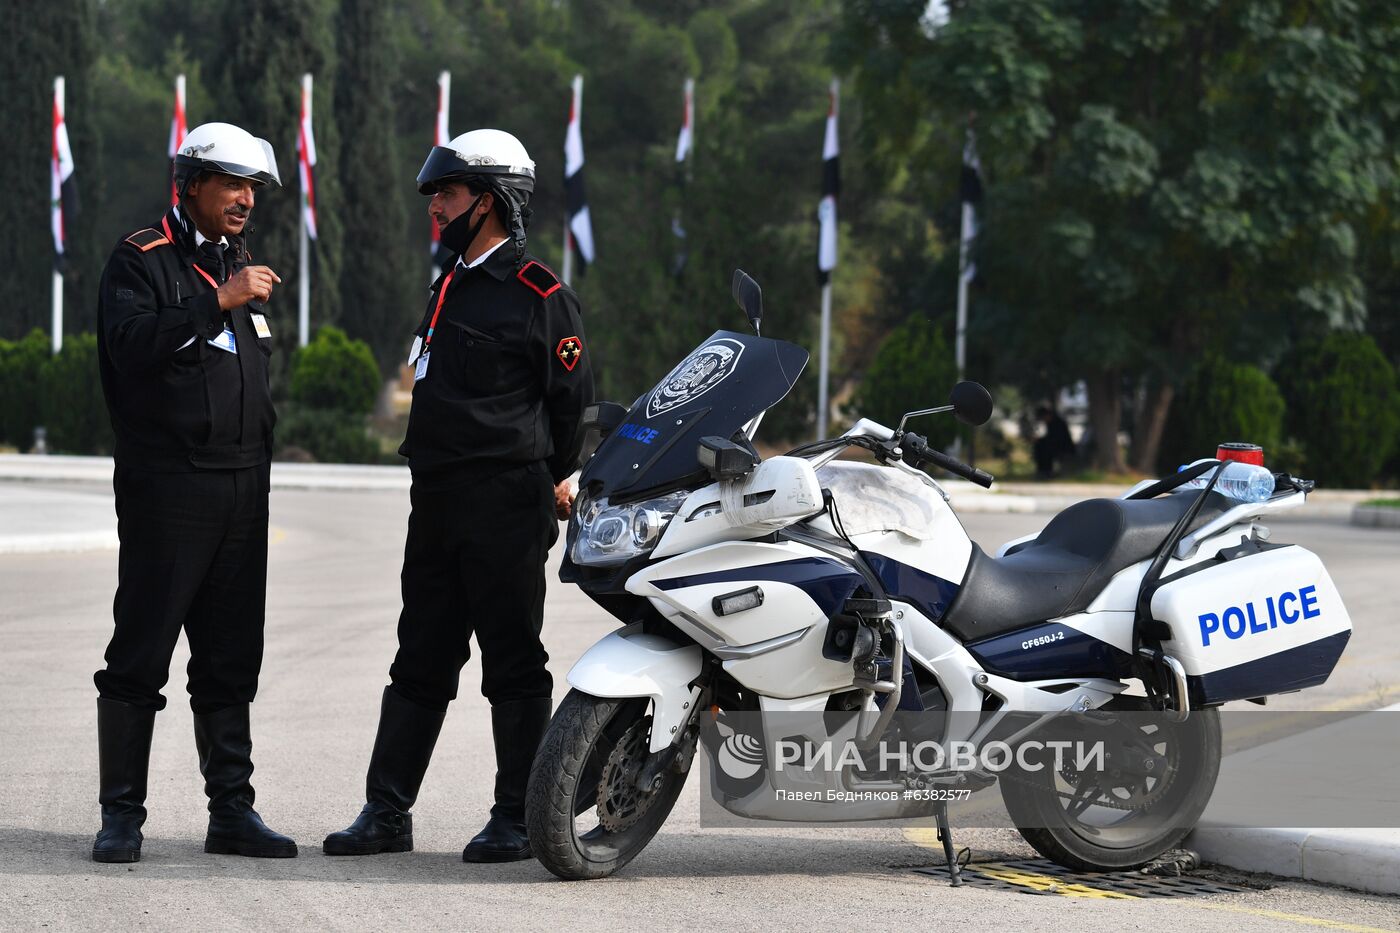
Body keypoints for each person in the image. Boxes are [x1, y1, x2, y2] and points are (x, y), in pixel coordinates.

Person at [323, 129, 593, 863]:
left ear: (490, 198)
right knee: (420, 659)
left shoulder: (540, 295)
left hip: (506, 500)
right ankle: (385, 813)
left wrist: (554, 476)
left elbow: (572, 403)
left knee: (512, 661)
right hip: (436, 501)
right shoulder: (449, 283)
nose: (435, 206)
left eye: (446, 192)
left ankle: (517, 818)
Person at [91, 122, 296, 863]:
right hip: (168, 488)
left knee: (231, 657)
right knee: (140, 651)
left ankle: (232, 812)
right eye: (233, 185)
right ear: (192, 185)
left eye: (254, 189)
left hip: (243, 489)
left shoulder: (236, 260)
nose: (246, 200)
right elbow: (132, 349)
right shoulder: (140, 259)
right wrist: (217, 301)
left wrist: (231, 291)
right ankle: (121, 817)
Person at [1033, 404, 1076, 479]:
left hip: (1063, 447)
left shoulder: (1058, 423)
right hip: (1056, 445)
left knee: (1044, 449)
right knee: (1040, 447)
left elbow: (1056, 439)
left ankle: (1046, 472)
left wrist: (1041, 440)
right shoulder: (1051, 423)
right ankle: (1043, 471)